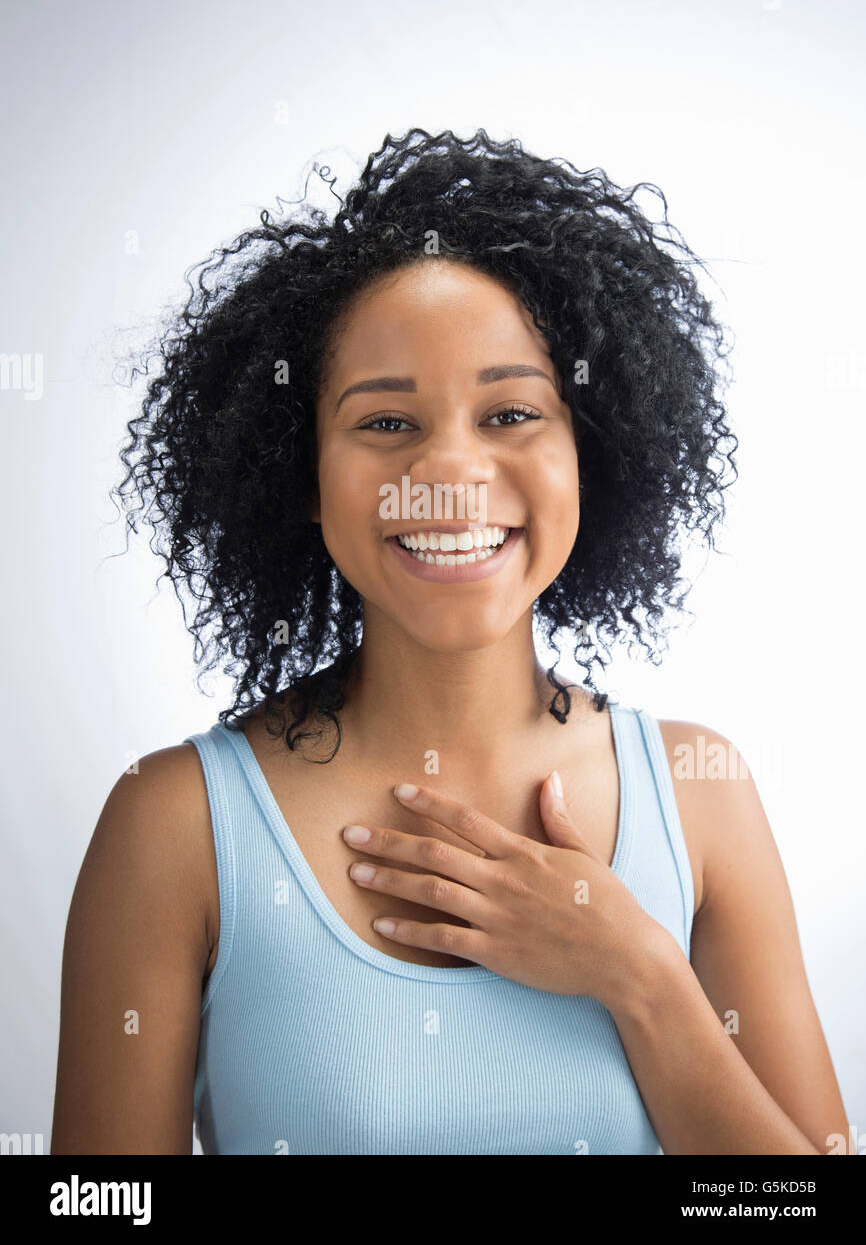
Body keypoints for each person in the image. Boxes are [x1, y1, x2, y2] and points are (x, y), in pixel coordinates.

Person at [51, 128, 848, 1154]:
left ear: (589, 453)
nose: (447, 474)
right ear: (300, 472)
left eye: (510, 410)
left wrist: (637, 974)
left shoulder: (699, 793)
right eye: (385, 424)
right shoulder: (172, 826)